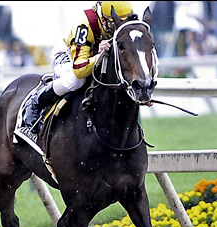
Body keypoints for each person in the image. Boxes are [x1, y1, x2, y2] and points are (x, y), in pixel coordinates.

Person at [16, 1, 135, 141]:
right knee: (77, 80)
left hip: (92, 54)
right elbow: (79, 69)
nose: (119, 28)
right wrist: (99, 55)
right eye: (114, 24)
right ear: (103, 19)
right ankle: (36, 102)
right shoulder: (84, 25)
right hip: (69, 56)